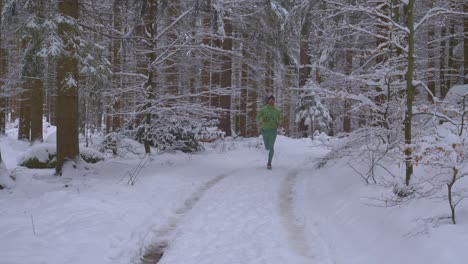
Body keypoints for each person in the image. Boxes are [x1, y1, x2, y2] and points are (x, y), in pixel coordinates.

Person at [256, 95, 282, 170]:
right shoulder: (263, 109)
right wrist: (261, 120)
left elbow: (280, 119)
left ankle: (269, 163)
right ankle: (268, 149)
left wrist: (278, 123)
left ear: (274, 101)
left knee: (271, 147)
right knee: (267, 146)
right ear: (268, 101)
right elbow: (257, 118)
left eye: (272, 100)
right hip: (264, 130)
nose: (271, 101)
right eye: (270, 100)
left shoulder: (277, 111)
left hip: (273, 130)